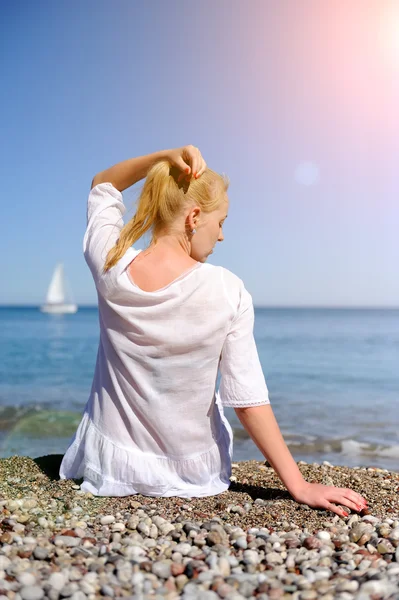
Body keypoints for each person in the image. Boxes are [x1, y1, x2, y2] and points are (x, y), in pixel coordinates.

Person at [59, 145, 367, 516]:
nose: (221, 237)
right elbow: (247, 399)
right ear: (193, 217)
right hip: (195, 473)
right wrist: (297, 485)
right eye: (220, 223)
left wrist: (164, 157)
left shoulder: (111, 264)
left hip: (112, 467)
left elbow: (102, 185)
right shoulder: (228, 290)